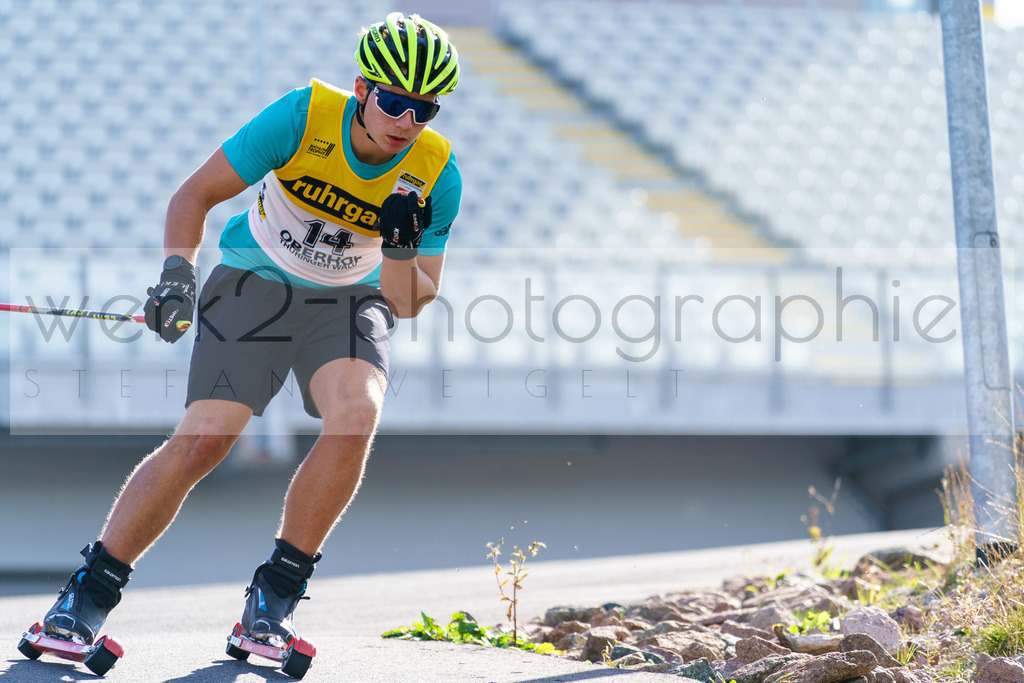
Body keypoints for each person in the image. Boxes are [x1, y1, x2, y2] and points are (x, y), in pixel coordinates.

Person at [36, 12, 461, 654]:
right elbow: (195, 194)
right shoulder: (302, 117)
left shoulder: (435, 173)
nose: (405, 121)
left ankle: (274, 602)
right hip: (255, 280)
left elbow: (408, 302)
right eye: (395, 101)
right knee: (206, 439)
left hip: (350, 298)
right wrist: (176, 277)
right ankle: (86, 597)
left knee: (356, 414)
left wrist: (399, 245)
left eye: (423, 109)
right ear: (362, 88)